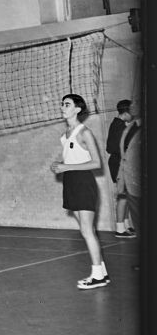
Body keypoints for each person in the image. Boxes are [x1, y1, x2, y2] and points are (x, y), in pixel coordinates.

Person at [49, 94, 109, 290]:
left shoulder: (84, 132)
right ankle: (101, 271)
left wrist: (66, 167)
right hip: (70, 183)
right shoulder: (64, 134)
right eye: (62, 104)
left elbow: (97, 163)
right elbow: (72, 160)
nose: (62, 107)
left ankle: (97, 276)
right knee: (87, 230)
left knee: (86, 230)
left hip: (84, 183)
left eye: (67, 104)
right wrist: (60, 166)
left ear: (77, 109)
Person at [115, 103, 142, 253]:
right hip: (131, 179)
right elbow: (122, 156)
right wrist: (122, 178)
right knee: (138, 221)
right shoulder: (129, 128)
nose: (133, 107)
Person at [110, 100, 136, 237]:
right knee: (123, 195)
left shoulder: (120, 125)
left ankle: (126, 225)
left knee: (126, 194)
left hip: (121, 162)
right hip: (118, 163)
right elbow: (111, 148)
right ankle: (119, 228)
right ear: (125, 113)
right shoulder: (119, 127)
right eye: (131, 113)